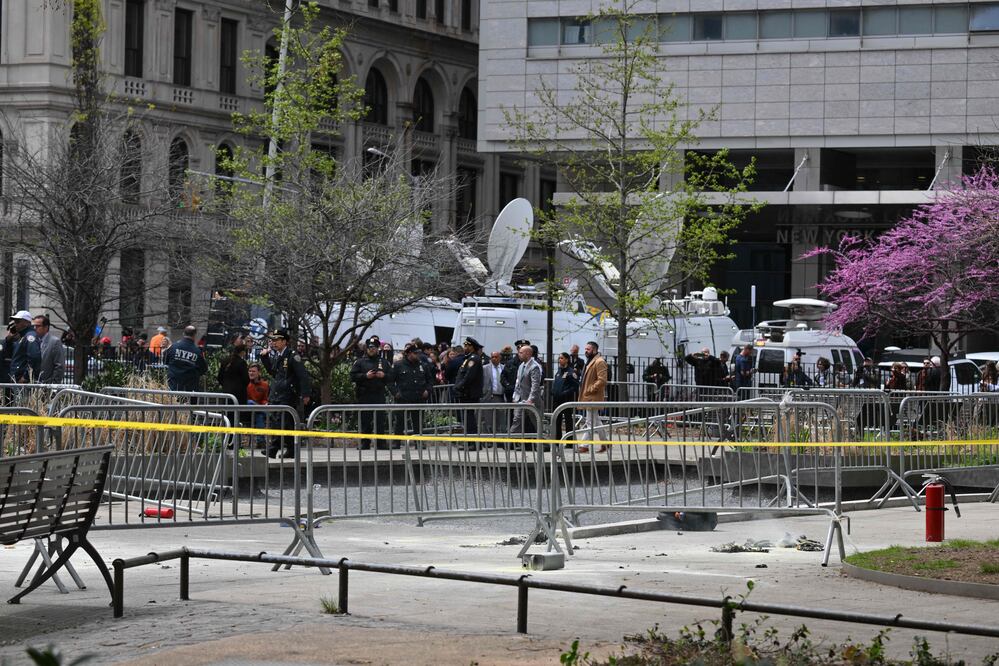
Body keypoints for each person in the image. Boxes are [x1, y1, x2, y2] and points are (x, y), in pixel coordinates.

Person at [260, 329, 312, 458]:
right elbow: (273, 372)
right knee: (284, 423)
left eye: (277, 340)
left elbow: (303, 375)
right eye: (273, 340)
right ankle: (291, 450)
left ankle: (273, 448)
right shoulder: (278, 355)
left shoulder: (292, 356)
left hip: (287, 394)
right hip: (277, 394)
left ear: (284, 341)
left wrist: (305, 393)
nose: (274, 343)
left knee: (281, 421)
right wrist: (264, 358)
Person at [350, 336, 392, 450]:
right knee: (365, 419)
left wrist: (384, 376)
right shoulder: (360, 362)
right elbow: (353, 376)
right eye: (369, 348)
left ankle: (380, 442)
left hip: (378, 394)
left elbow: (392, 377)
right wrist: (365, 376)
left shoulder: (384, 362)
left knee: (380, 419)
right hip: (365, 394)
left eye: (373, 348)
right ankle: (365, 442)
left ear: (377, 349)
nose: (371, 350)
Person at [390, 343, 432, 444]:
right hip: (403, 398)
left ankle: (419, 442)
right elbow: (390, 381)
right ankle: (396, 442)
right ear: (409, 353)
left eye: (418, 353)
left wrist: (427, 390)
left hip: (418, 398)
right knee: (400, 421)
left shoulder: (423, 365)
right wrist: (395, 393)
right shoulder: (398, 365)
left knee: (418, 422)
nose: (417, 355)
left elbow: (430, 381)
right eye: (415, 353)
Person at [453, 337, 485, 448]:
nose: (465, 347)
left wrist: (459, 386)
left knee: (469, 419)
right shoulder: (468, 358)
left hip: (469, 393)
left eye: (466, 346)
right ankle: (470, 442)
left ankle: (473, 443)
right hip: (466, 393)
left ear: (472, 347)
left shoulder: (473, 359)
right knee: (467, 419)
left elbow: (469, 377)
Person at [577, 341, 608, 453]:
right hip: (589, 396)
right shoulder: (591, 361)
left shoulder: (599, 361)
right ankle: (605, 443)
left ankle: (584, 445)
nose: (586, 351)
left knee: (590, 421)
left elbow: (602, 380)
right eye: (585, 349)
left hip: (593, 396)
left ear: (594, 350)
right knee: (596, 421)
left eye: (588, 349)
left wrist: (590, 389)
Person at [510, 344, 543, 437]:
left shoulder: (534, 367)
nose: (518, 354)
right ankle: (510, 441)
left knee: (537, 424)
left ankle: (544, 442)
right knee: (516, 421)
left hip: (532, 402)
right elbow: (518, 383)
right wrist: (515, 397)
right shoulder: (521, 366)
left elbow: (535, 385)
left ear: (528, 354)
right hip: (521, 400)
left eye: (521, 353)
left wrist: (531, 399)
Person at [164, 325, 208, 392]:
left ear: (183, 333)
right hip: (189, 389)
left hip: (173, 387)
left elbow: (165, 361)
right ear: (194, 335)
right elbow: (203, 369)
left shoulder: (173, 347)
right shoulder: (197, 352)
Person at [552, 352, 579, 440]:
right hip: (557, 400)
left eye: (562, 358)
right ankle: (557, 440)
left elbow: (575, 387)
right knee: (557, 420)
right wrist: (553, 391)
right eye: (559, 358)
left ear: (567, 360)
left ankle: (569, 442)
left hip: (566, 400)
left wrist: (565, 393)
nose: (559, 360)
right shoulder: (559, 371)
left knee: (568, 421)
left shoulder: (571, 372)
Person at [32, 315, 64, 384]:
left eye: (38, 326)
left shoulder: (54, 342)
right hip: (33, 384)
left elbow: (59, 366)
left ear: (46, 327)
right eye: (34, 326)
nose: (34, 328)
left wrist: (53, 384)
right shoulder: (33, 341)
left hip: (47, 384)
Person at [480, 350, 507, 433]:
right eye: (492, 357)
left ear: (500, 358)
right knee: (488, 419)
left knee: (501, 418)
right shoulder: (485, 368)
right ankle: (488, 436)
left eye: (496, 357)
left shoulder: (504, 368)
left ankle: (500, 436)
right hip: (489, 396)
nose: (494, 359)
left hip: (501, 396)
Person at [217, 339, 250, 405]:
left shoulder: (225, 361)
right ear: (242, 352)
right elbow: (246, 379)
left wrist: (226, 385)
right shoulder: (242, 363)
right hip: (239, 394)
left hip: (226, 393)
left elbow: (219, 377)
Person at [8, 310, 36, 383]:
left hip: (23, 381)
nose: (15, 324)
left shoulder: (30, 336)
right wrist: (8, 339)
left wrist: (26, 377)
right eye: (15, 321)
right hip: (17, 378)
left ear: (27, 322)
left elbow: (34, 358)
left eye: (18, 321)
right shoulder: (22, 336)